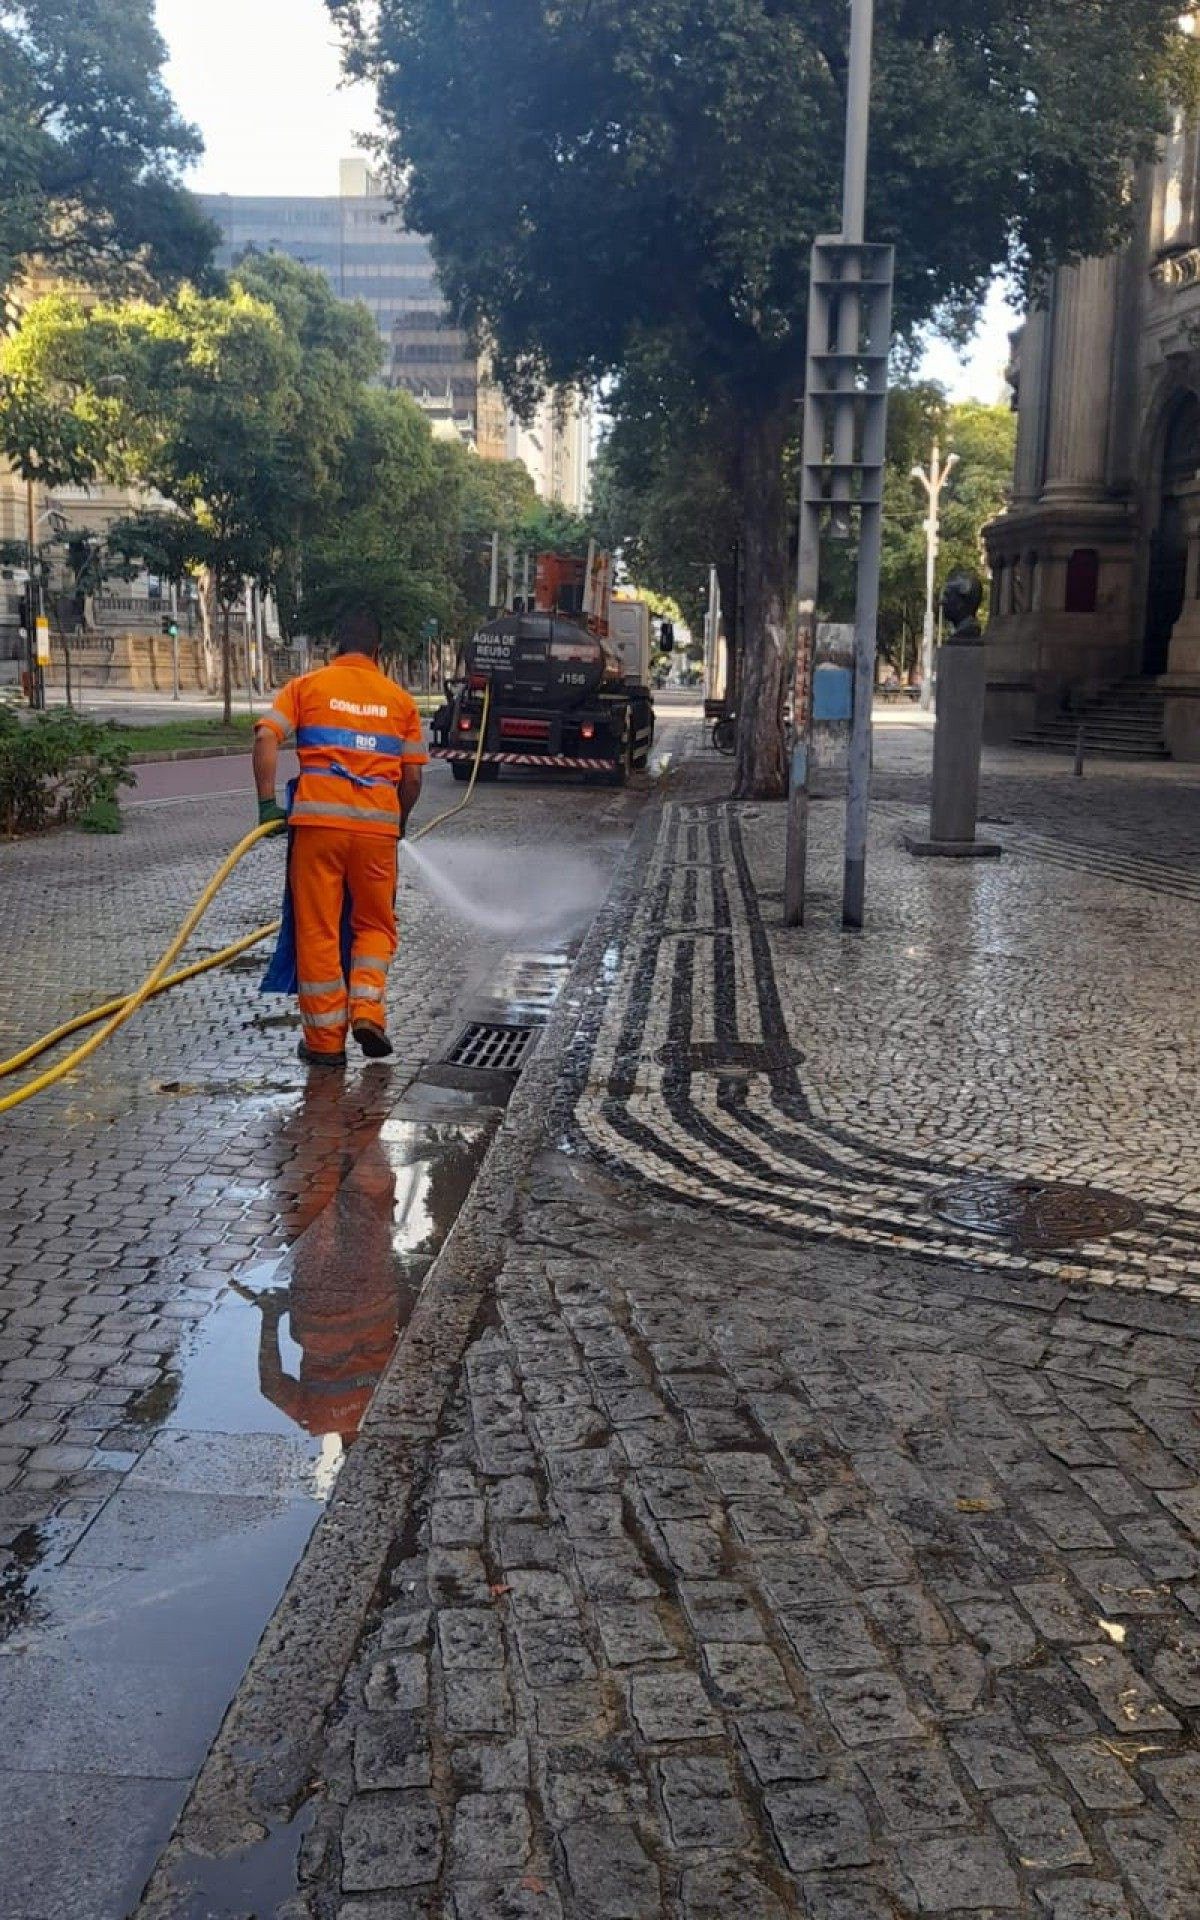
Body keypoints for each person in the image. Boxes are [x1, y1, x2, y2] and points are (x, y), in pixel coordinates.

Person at [252, 608, 427, 1068]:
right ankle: (367, 1010)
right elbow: (412, 778)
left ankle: (326, 1042)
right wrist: (399, 822)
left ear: (336, 647)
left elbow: (266, 738)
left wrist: (266, 803)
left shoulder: (307, 686)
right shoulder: (400, 701)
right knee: (375, 925)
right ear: (378, 652)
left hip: (317, 829)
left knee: (319, 929)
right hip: (376, 833)